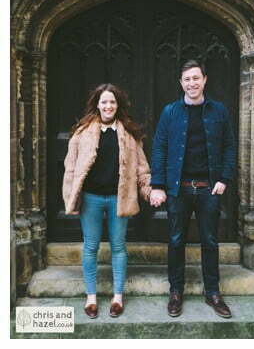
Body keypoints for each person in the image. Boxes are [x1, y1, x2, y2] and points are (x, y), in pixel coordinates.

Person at [150, 59, 237, 318]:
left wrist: (224, 179)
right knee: (176, 241)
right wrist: (157, 185)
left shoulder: (219, 111)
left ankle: (212, 292)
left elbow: (229, 146)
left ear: (204, 80)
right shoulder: (170, 112)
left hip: (209, 188)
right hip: (179, 189)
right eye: (187, 79)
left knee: (210, 241)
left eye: (196, 78)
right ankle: (176, 291)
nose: (192, 84)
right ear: (181, 83)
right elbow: (159, 148)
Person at [62, 84, 152, 319]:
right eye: (104, 102)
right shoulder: (82, 133)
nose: (108, 106)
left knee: (119, 247)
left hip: (117, 199)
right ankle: (91, 297)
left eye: (112, 102)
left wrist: (148, 191)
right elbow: (70, 168)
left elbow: (142, 169)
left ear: (117, 105)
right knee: (90, 247)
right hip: (91, 199)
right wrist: (70, 196)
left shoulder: (129, 135)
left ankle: (117, 297)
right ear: (97, 105)